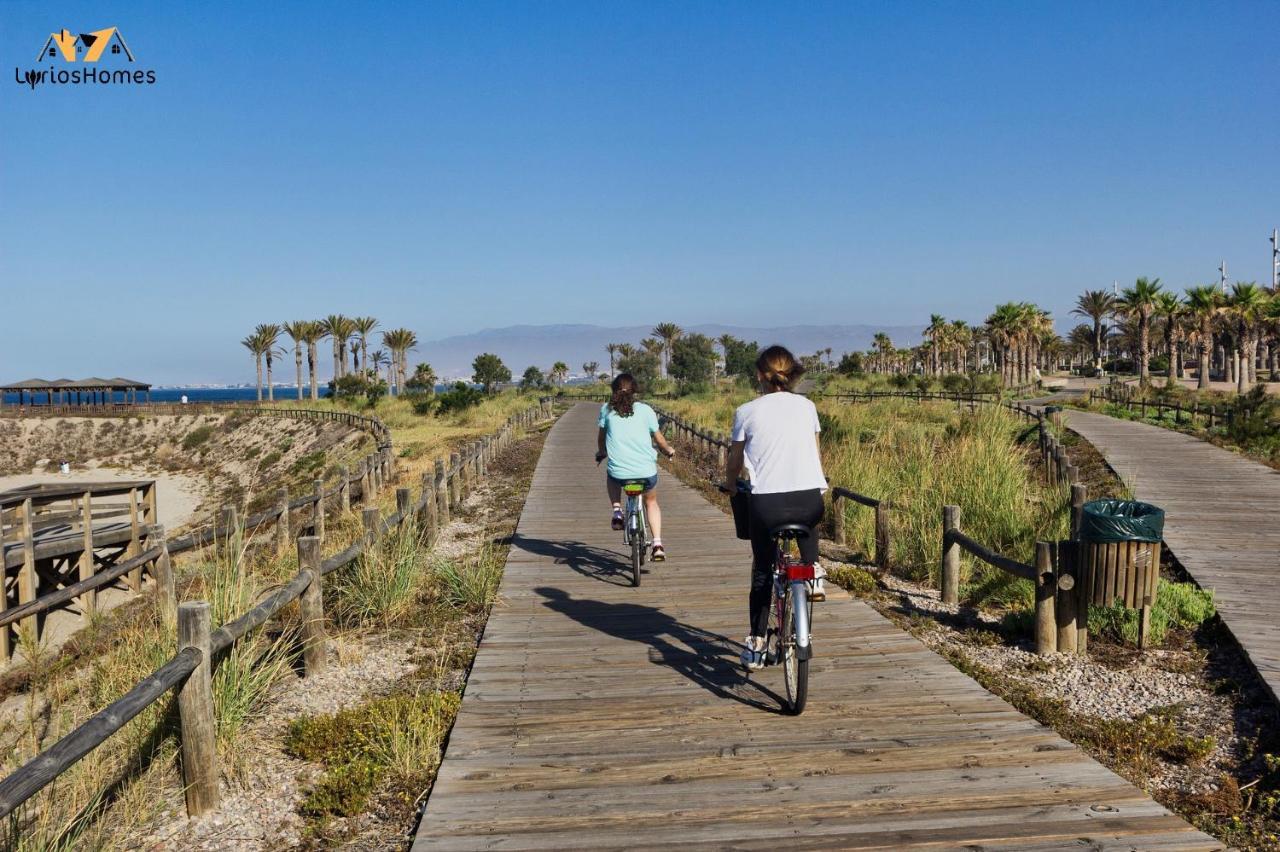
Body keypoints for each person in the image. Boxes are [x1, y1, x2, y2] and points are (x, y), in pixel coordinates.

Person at [724, 345, 828, 671]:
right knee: (808, 517)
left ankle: (756, 643)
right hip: (810, 500)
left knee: (761, 571)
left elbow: (735, 462)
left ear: (759, 374)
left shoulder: (746, 411)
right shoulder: (808, 406)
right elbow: (815, 453)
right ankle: (813, 570)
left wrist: (729, 484)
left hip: (766, 506)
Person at [595, 373, 676, 561]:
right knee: (651, 502)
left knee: (612, 474)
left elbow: (601, 438)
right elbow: (659, 439)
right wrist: (668, 450)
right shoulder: (646, 410)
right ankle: (657, 544)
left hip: (619, 474)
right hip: (646, 472)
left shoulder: (606, 410)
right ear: (635, 390)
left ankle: (617, 510)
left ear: (614, 390)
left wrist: (601, 452)